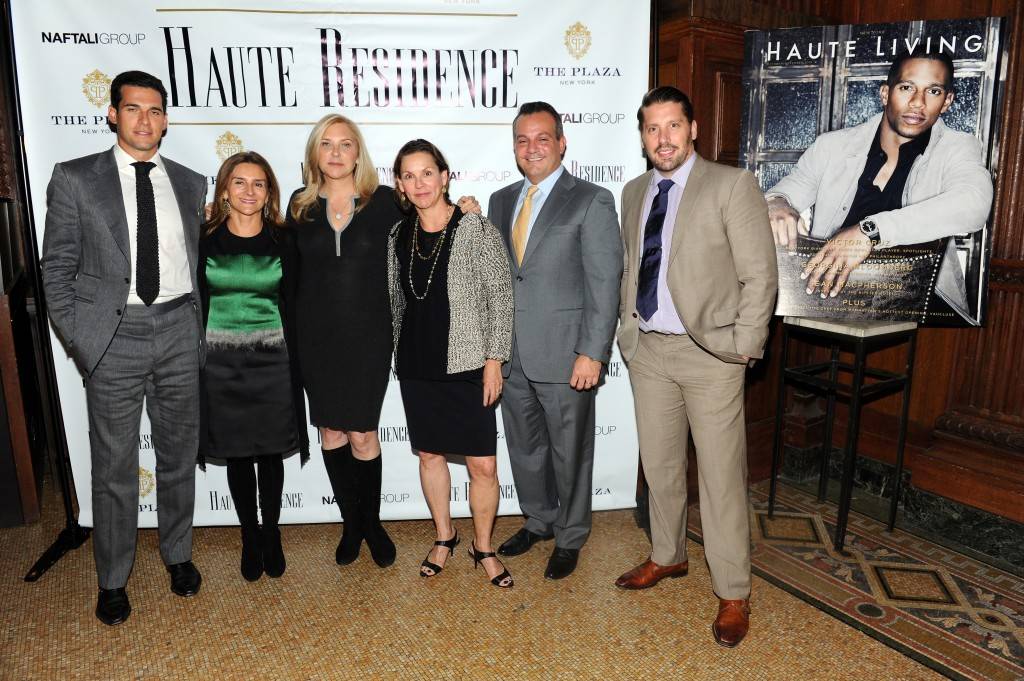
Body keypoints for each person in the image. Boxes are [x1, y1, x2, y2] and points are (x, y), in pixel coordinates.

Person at [40, 70, 207, 625]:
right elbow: (56, 270)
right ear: (113, 114)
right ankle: (112, 579)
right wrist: (86, 340)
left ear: (166, 119)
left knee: (179, 456)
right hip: (116, 337)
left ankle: (178, 555)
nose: (145, 120)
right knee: (114, 468)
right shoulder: (75, 179)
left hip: (179, 328)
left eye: (155, 110)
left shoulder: (190, 181)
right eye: (133, 109)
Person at [614, 86, 777, 648]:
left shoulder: (732, 185)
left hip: (712, 356)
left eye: (673, 126)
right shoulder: (633, 191)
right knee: (659, 467)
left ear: (694, 129)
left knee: (720, 478)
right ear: (643, 137)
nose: (663, 139)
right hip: (649, 353)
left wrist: (744, 346)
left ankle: (734, 591)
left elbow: (761, 275)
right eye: (652, 129)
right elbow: (630, 267)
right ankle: (668, 555)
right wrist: (624, 331)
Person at [287, 115, 479, 569]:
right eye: (327, 144)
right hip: (316, 338)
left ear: (359, 153)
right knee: (331, 432)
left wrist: (465, 209)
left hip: (370, 336)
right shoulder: (300, 205)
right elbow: (290, 276)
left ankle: (371, 524)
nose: (336, 153)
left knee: (363, 433)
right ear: (315, 153)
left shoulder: (387, 201)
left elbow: (434, 218)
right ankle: (351, 524)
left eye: (345, 144)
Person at [487, 101, 623, 580]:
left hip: (568, 355)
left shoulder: (591, 199)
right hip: (513, 355)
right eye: (523, 139)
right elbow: (501, 280)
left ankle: (570, 535)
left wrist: (592, 352)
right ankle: (539, 520)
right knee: (525, 449)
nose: (532, 148)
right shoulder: (501, 201)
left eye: (542, 138)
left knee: (570, 451)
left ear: (562, 143)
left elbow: (605, 284)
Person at [765, 47, 993, 324]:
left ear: (947, 102)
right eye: (907, 87)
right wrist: (777, 202)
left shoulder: (957, 147)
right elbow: (788, 191)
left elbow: (974, 204)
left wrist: (869, 231)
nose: (917, 103)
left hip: (915, 312)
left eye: (933, 91)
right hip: (824, 302)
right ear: (885, 93)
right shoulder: (833, 146)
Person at [387, 139, 514, 588]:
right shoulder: (397, 237)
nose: (419, 183)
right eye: (408, 175)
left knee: (483, 466)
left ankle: (484, 547)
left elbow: (501, 297)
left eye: (427, 173)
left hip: (467, 364)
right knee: (430, 455)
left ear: (445, 176)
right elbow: (396, 301)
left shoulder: (476, 229)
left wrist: (494, 361)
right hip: (418, 364)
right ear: (399, 185)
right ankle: (445, 536)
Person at [198, 151, 308, 582]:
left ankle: (272, 532)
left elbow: (297, 300)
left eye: (258, 183)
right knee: (239, 453)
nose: (249, 191)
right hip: (220, 366)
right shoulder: (203, 239)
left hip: (273, 362)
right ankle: (249, 534)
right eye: (239, 182)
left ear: (269, 192)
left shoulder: (286, 240)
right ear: (224, 189)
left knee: (269, 450)